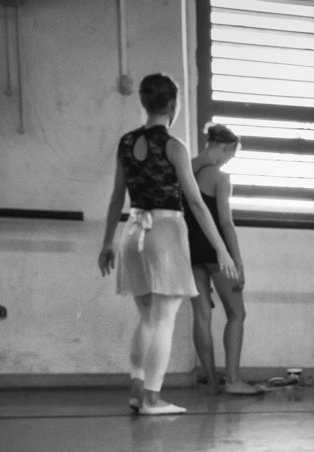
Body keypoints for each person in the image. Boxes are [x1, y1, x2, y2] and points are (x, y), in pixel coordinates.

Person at [98, 73, 238, 415]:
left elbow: (118, 196)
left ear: (144, 103)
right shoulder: (175, 146)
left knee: (145, 317)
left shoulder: (126, 143)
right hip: (164, 231)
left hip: (132, 231)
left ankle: (136, 389)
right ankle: (152, 398)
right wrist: (221, 247)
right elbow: (195, 202)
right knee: (164, 319)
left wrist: (107, 243)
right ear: (173, 105)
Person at [185, 123, 260, 396]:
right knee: (237, 314)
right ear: (226, 148)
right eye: (231, 155)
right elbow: (225, 224)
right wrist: (237, 262)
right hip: (217, 252)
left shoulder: (185, 169)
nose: (229, 160)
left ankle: (213, 383)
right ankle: (232, 380)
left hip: (189, 251)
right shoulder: (220, 178)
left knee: (201, 315)